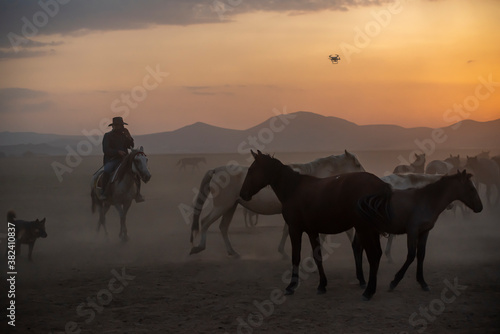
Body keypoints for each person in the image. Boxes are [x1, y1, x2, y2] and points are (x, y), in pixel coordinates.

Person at [99, 117, 144, 202]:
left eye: (121, 125)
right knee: (107, 171)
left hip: (124, 160)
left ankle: (138, 194)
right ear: (113, 126)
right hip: (112, 159)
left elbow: (131, 146)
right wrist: (117, 152)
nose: (120, 127)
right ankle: (104, 193)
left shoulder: (124, 136)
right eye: (118, 125)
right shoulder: (108, 136)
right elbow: (106, 150)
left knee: (136, 172)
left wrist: (129, 136)